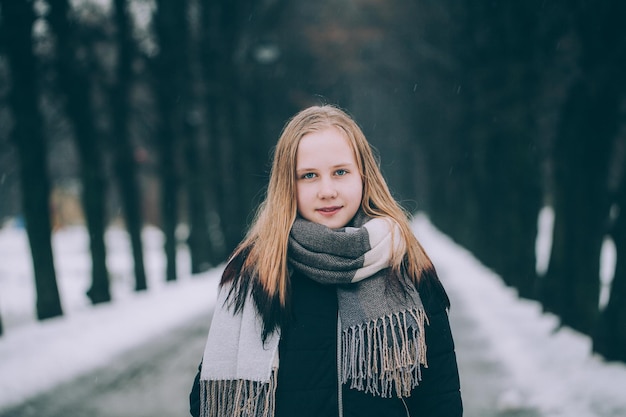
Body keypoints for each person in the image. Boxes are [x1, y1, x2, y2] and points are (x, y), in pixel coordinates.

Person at [189, 105, 463, 417]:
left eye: (340, 172)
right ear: (286, 185)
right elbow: (209, 402)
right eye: (308, 176)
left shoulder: (405, 265)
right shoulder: (257, 272)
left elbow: (440, 398)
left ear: (364, 175)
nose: (327, 190)